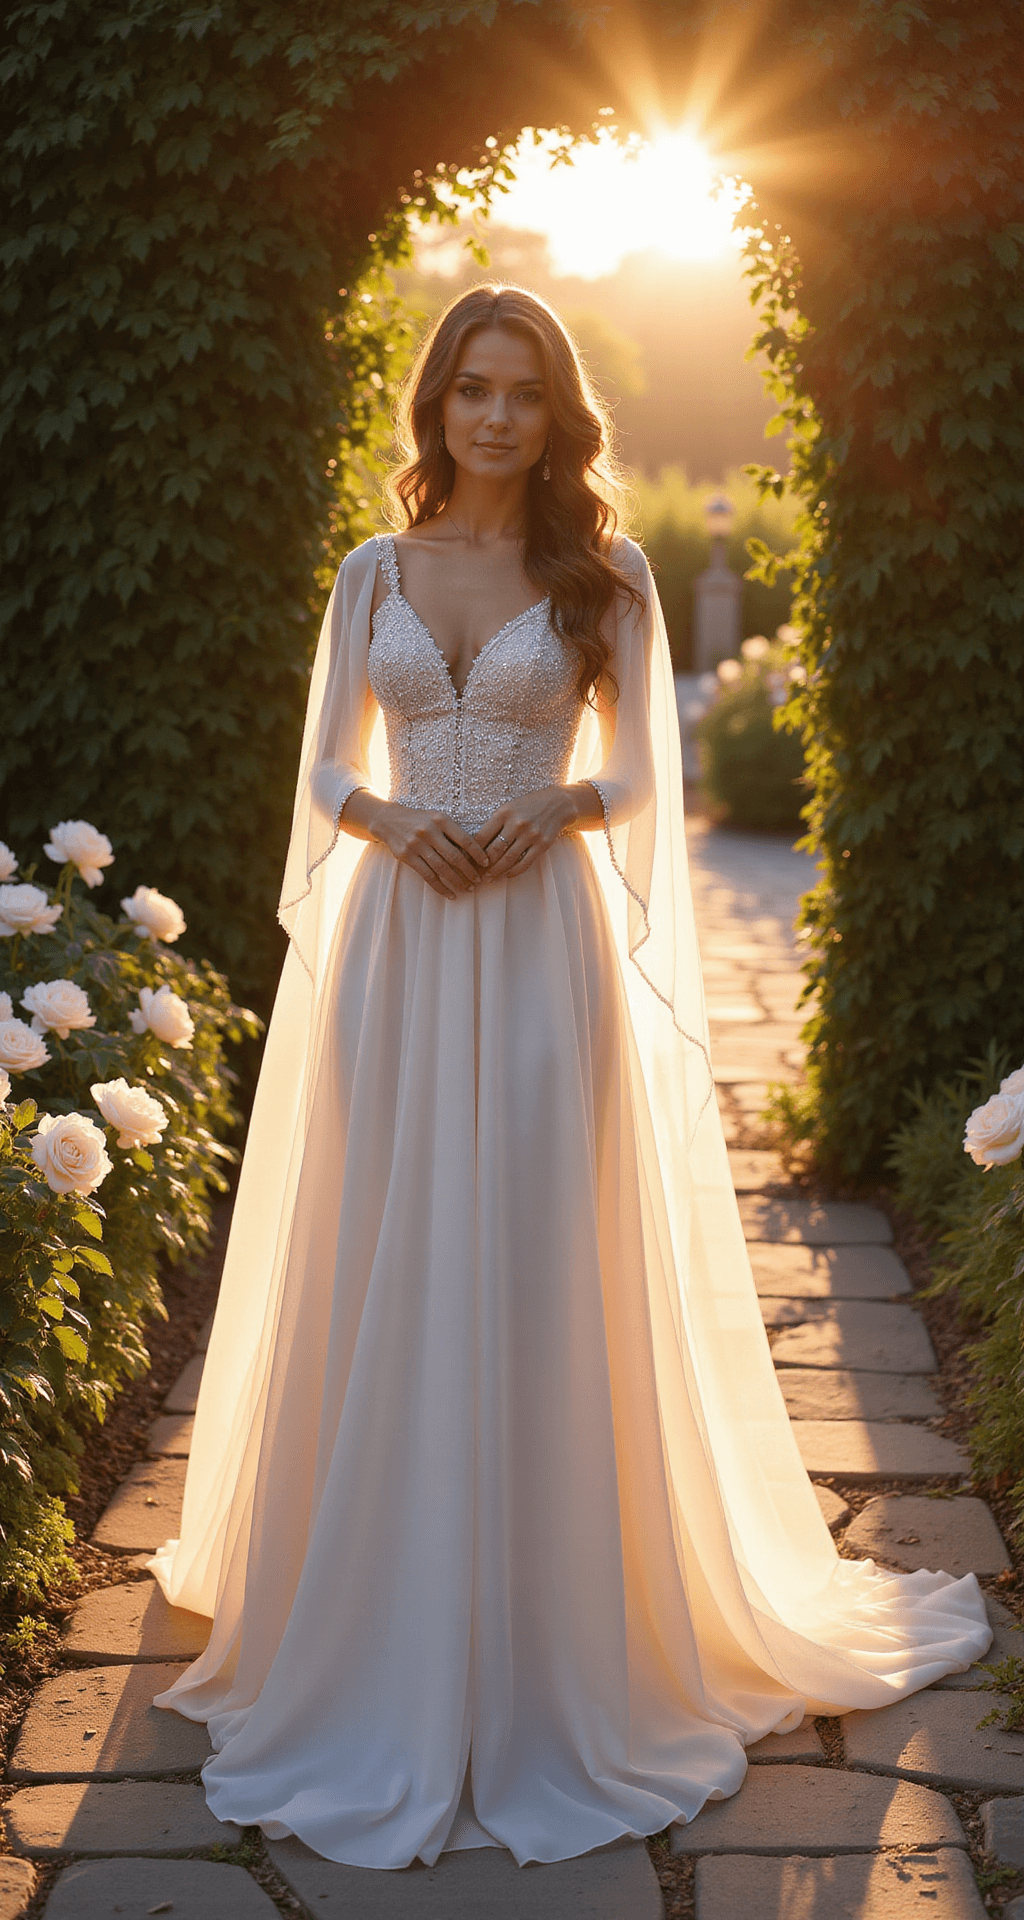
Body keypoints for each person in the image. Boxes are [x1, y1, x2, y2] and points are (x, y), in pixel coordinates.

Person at [150, 283, 990, 1870]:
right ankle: (379, 1610)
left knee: (537, 1259)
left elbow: (650, 777)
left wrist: (561, 812)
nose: (492, 417)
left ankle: (550, 1635)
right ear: (435, 404)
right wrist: (390, 822)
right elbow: (326, 764)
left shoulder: (603, 575)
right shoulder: (368, 574)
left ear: (557, 415)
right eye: (470, 388)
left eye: (522, 393)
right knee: (388, 1248)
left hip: (542, 949)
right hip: (402, 945)